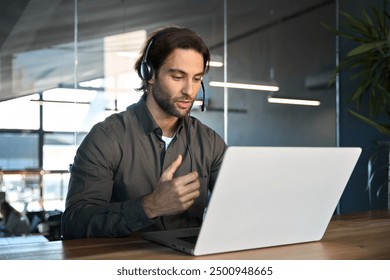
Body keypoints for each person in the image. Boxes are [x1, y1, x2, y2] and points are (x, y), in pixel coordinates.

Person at [61, 26, 227, 239]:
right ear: (149, 74)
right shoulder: (107, 138)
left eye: (196, 79)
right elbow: (74, 224)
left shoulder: (209, 142)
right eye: (178, 77)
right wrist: (150, 206)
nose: (190, 90)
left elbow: (240, 203)